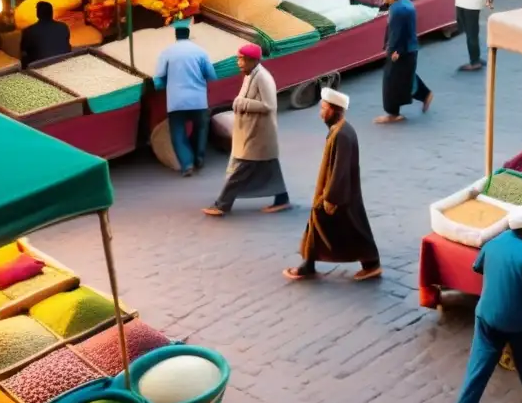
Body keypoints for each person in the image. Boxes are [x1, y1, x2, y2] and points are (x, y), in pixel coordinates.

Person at [448, 203, 522, 403]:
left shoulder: (492, 244)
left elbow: (477, 267)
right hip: (514, 319)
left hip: (485, 313)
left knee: (480, 361)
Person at [284, 88, 382, 282]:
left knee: (345, 226)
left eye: (324, 108)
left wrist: (330, 197)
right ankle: (309, 262)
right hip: (340, 192)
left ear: (334, 110)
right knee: (343, 226)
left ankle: (370, 263)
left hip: (338, 194)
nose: (321, 112)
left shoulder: (342, 134)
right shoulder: (340, 130)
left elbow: (339, 169)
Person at [202, 44, 289, 217]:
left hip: (257, 135)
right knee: (269, 168)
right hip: (252, 133)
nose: (239, 63)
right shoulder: (251, 75)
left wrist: (242, 103)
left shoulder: (262, 78)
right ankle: (282, 199)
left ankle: (222, 204)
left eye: (242, 59)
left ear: (253, 60)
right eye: (238, 59)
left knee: (239, 170)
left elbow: (269, 105)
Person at [155, 21, 216, 177]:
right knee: (201, 128)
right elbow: (212, 75)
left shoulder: (166, 52)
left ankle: (187, 164)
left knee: (178, 133)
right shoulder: (201, 52)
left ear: (176, 36)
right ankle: (199, 158)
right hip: (198, 100)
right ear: (189, 36)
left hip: (176, 101)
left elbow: (159, 78)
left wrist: (166, 83)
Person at [375, 0, 433, 124]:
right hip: (408, 50)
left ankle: (393, 113)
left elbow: (400, 33)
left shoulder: (400, 10)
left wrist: (396, 51)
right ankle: (426, 95)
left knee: (391, 80)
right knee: (406, 77)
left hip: (402, 51)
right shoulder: (401, 3)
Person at [20, 1, 71, 68]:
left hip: (41, 67)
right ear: (52, 13)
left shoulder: (29, 31)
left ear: (37, 14)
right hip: (64, 63)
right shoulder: (63, 27)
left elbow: (23, 51)